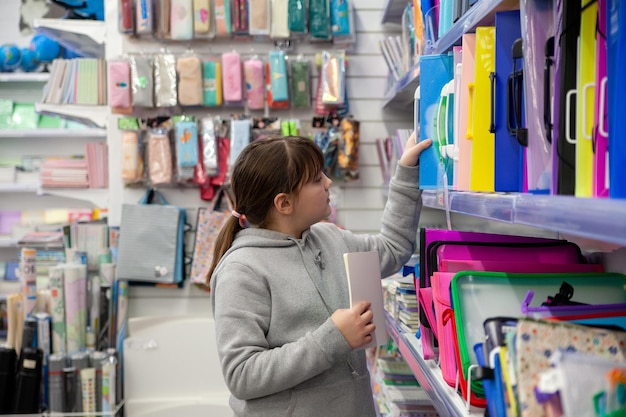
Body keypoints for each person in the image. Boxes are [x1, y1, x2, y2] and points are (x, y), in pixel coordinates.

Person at [208, 133, 432, 417]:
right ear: (284, 203)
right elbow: (242, 375)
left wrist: (407, 170)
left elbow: (393, 248)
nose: (328, 182)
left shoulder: (330, 238)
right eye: (316, 179)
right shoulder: (241, 271)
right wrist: (334, 338)